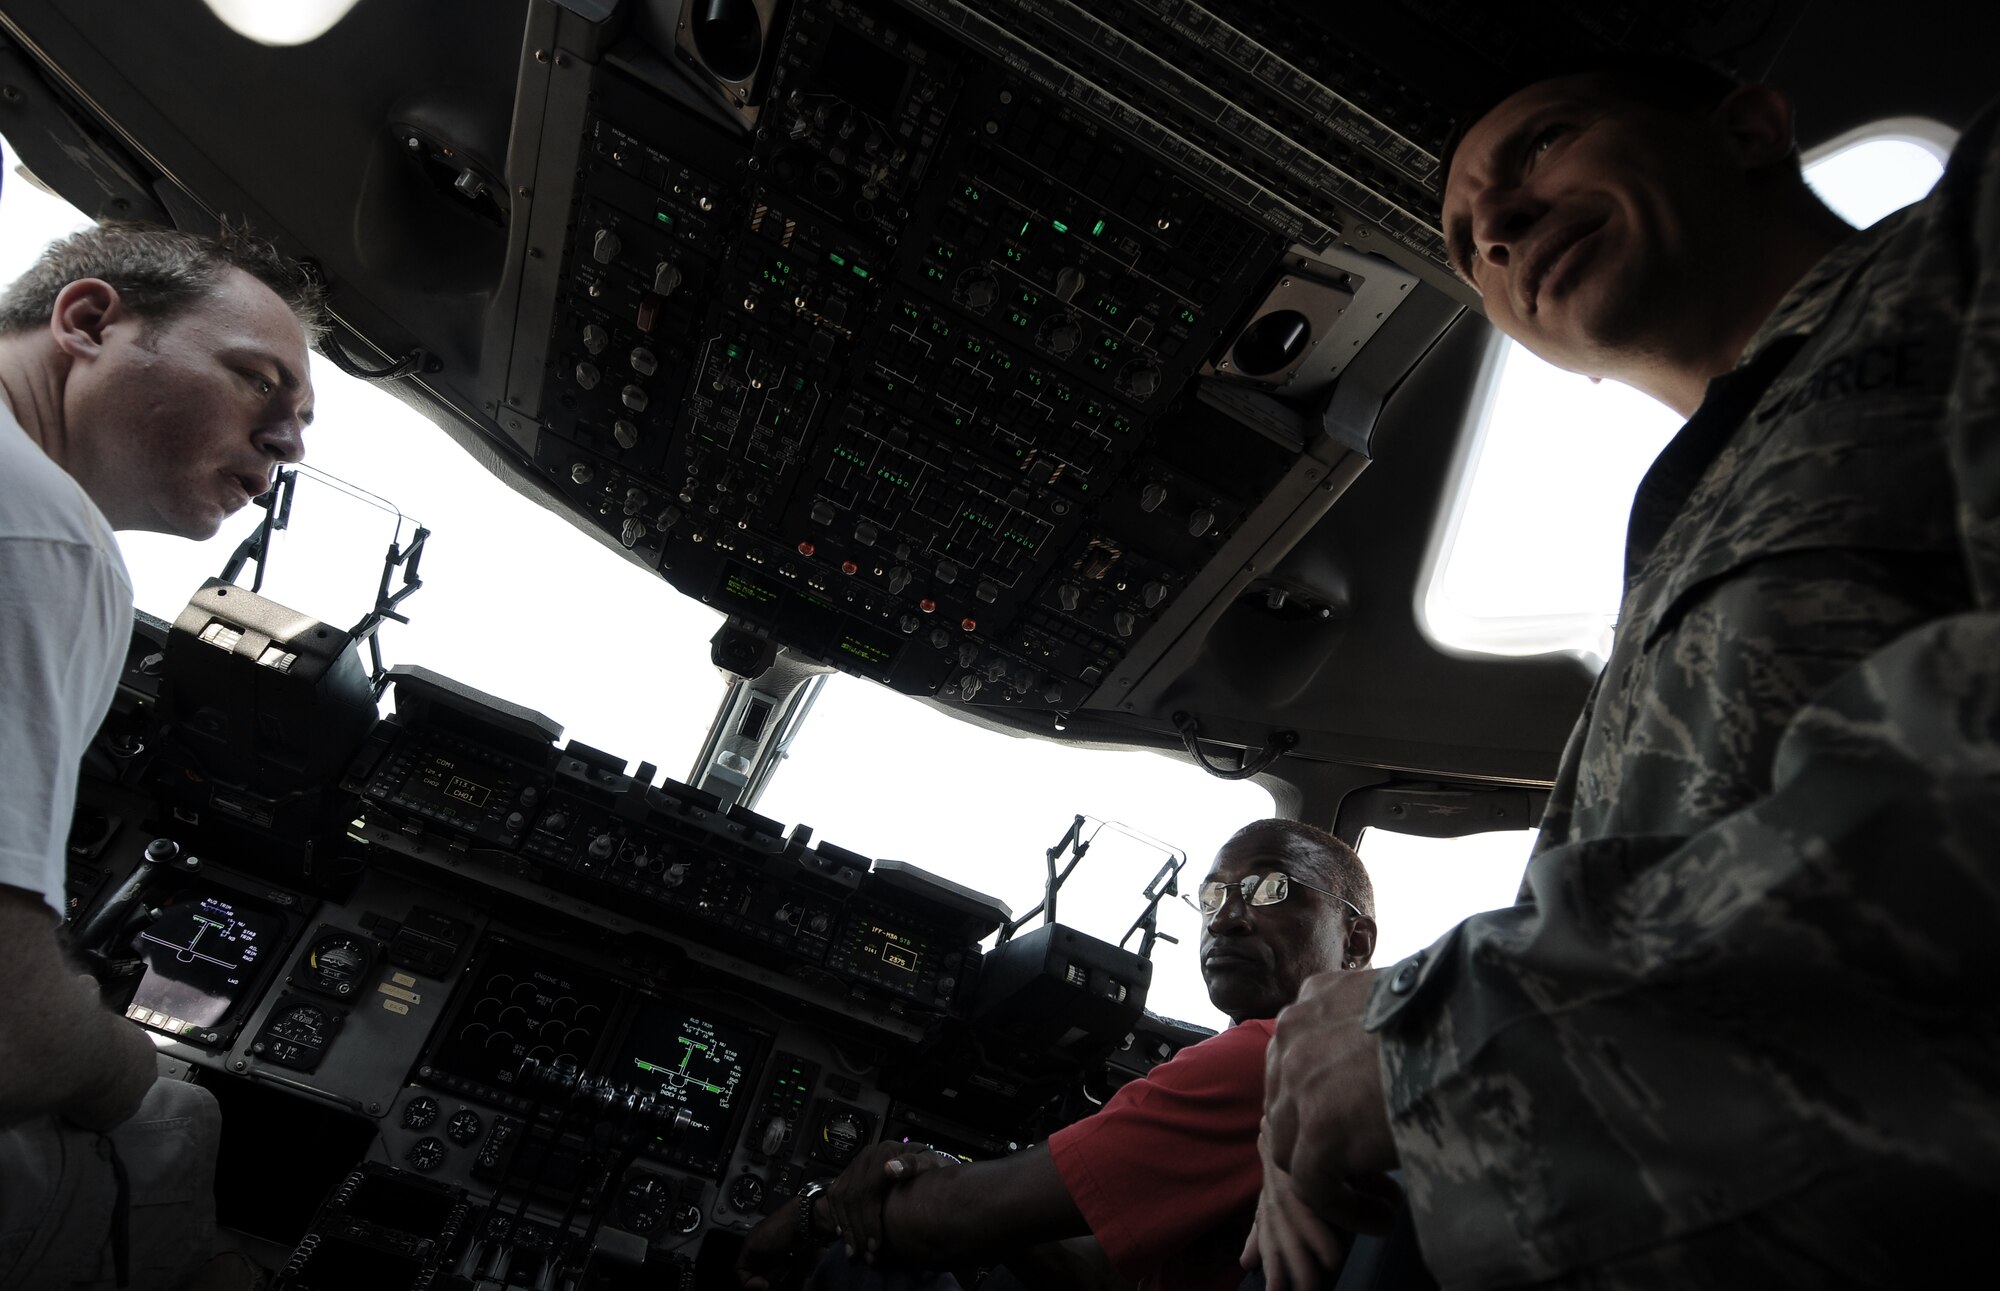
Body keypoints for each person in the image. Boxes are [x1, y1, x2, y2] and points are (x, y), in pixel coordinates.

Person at [1252, 57, 2000, 1289]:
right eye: (1465, 246)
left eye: (1542, 145)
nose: (1494, 229)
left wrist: (1442, 1044)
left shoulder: (1967, 236)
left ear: (1750, 127)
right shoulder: (1678, 536)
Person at [0, 223, 322, 1289]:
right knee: (170, 1111)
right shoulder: (48, 534)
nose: (288, 447)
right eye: (257, 383)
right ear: (88, 323)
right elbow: (13, 1040)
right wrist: (117, 1053)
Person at [736, 819, 1379, 1291]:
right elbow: (1092, 1273)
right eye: (1211, 897)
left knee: (867, 1268)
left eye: (1269, 890)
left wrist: (812, 1212)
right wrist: (945, 1170)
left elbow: (951, 1223)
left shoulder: (1266, 1058)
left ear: (1354, 943)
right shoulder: (1342, 1067)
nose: (1225, 918)